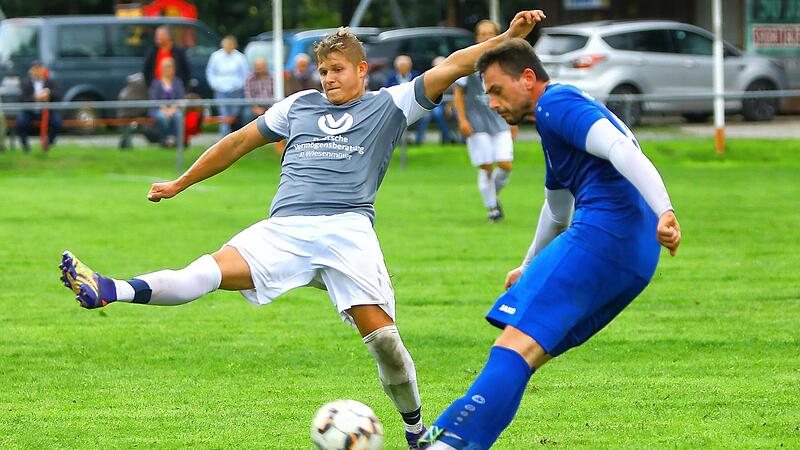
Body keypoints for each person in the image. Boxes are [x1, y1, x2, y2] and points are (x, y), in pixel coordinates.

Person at [58, 10, 545, 449]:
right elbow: (238, 142)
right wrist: (182, 182)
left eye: (338, 70)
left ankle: (415, 430)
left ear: (360, 69)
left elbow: (455, 65)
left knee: (386, 344)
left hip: (348, 232)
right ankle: (109, 289)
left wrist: (506, 38)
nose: (329, 79)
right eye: (323, 71)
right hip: (285, 228)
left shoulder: (391, 104)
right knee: (204, 271)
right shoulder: (298, 106)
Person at [420, 36, 683, 450]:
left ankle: (445, 441)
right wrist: (528, 264)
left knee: (512, 345)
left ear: (527, 78)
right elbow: (557, 210)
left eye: (495, 90)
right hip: (633, 255)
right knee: (522, 355)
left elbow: (620, 150)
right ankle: (446, 438)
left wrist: (665, 209)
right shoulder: (554, 120)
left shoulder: (556, 104)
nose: (491, 103)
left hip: (605, 236)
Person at [454, 20, 518, 223]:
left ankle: (492, 196)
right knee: (486, 165)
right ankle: (492, 208)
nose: (486, 37)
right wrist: (462, 119)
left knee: (506, 165)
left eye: (490, 33)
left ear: (497, 35)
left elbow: (512, 94)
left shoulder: (506, 63)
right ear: (477, 37)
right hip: (477, 123)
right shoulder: (470, 61)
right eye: (482, 34)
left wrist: (514, 121)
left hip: (500, 121)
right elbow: (458, 92)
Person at [206, 35, 250, 137]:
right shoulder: (216, 56)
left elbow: (245, 73)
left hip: (236, 90)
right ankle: (224, 137)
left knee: (234, 115)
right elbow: (210, 72)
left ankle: (234, 136)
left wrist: (240, 86)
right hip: (220, 90)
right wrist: (214, 85)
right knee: (224, 116)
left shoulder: (240, 57)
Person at [16, 61, 62, 152]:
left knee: (57, 121)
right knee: (20, 122)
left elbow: (60, 95)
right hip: (30, 111)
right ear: (31, 71)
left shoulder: (50, 82)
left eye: (40, 68)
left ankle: (48, 144)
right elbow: (21, 99)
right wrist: (34, 97)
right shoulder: (25, 82)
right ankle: (26, 147)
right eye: (36, 68)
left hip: (47, 112)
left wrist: (49, 93)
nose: (39, 71)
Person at [414, 56, 453, 145]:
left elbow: (455, 95)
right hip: (431, 105)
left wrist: (450, 106)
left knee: (440, 113)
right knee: (435, 114)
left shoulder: (452, 78)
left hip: (448, 105)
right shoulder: (428, 78)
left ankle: (447, 139)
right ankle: (419, 141)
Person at [149, 57, 186, 147]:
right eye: (165, 67)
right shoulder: (156, 82)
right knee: (163, 118)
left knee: (178, 116)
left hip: (174, 109)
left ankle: (175, 140)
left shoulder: (177, 82)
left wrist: (172, 109)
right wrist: (165, 110)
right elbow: (155, 99)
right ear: (161, 69)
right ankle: (165, 139)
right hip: (159, 109)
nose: (168, 69)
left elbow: (180, 97)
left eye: (170, 67)